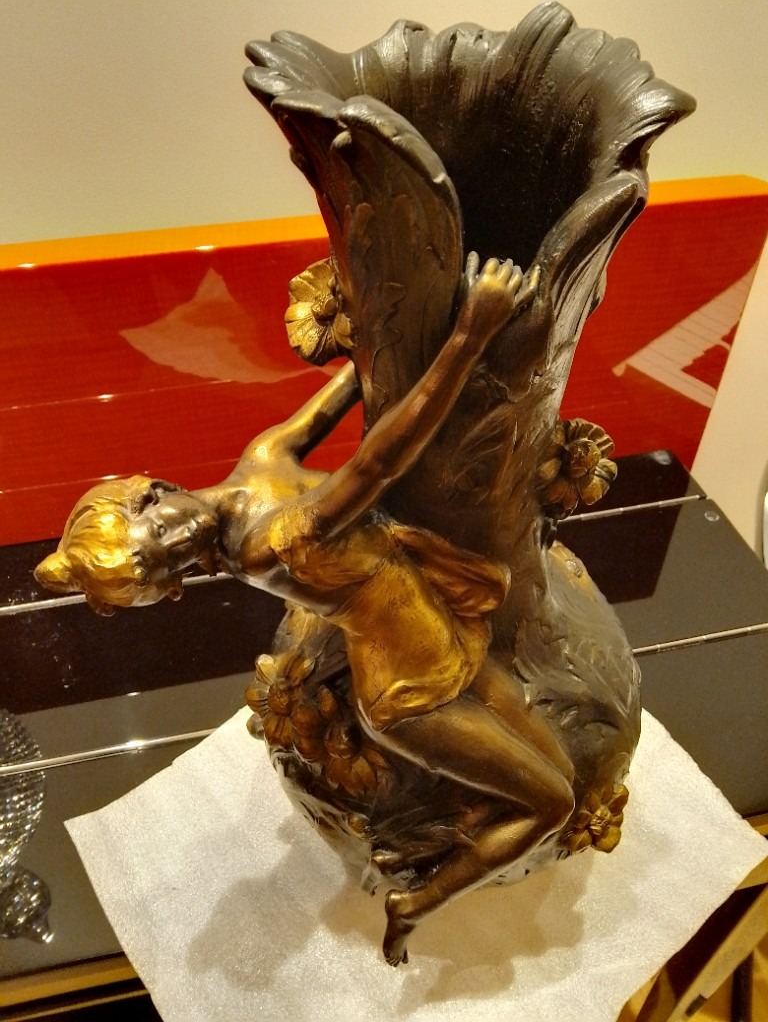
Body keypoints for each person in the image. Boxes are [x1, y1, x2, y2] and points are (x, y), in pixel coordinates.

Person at [36, 255, 574, 965]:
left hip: (449, 629)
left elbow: (359, 386)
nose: (181, 541)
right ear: (176, 588)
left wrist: (374, 324)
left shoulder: (262, 457)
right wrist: (468, 335)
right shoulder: (266, 549)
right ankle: (418, 902)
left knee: (560, 765)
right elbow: (377, 464)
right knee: (553, 803)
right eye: (170, 565)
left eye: (158, 530)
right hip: (412, 695)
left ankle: (467, 839)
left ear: (153, 489)